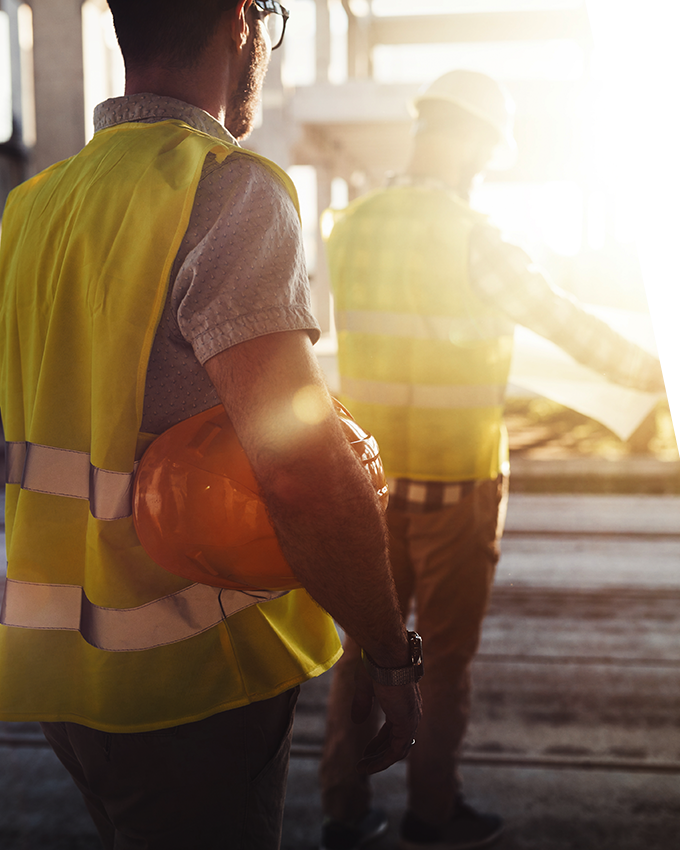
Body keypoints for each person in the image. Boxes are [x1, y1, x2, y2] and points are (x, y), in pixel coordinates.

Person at [0, 2, 421, 848]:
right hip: (195, 684)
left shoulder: (33, 208)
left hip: (67, 683)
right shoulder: (227, 190)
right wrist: (387, 649)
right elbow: (301, 470)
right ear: (241, 22)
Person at [318, 70, 667, 850]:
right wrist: (661, 373)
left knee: (363, 653)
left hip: (369, 491)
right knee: (442, 662)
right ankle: (431, 813)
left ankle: (343, 811)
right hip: (457, 490)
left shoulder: (351, 227)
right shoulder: (476, 237)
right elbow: (569, 327)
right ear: (473, 139)